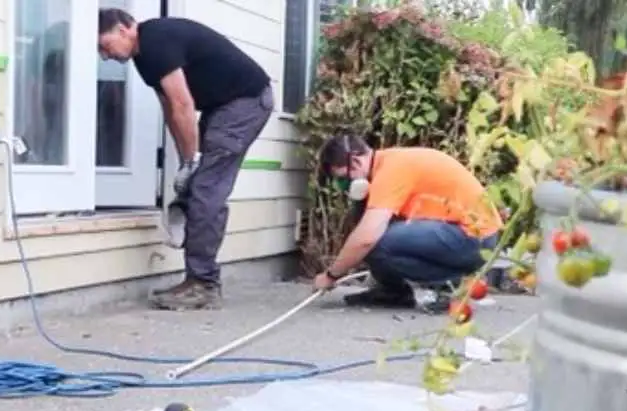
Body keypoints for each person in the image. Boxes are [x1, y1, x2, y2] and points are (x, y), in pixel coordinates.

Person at [98, 8, 274, 311]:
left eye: (105, 45)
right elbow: (171, 111)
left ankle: (203, 284)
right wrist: (185, 162)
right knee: (199, 181)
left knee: (207, 188)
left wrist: (193, 161)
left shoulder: (156, 41)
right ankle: (199, 278)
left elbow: (183, 103)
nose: (104, 55)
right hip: (224, 106)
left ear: (124, 29)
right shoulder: (144, 56)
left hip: (245, 103)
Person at [312, 133, 504, 312]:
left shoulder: (391, 171)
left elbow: (366, 238)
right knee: (374, 232)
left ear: (355, 161)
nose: (344, 185)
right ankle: (393, 293)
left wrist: (331, 276)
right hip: (468, 235)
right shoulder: (388, 163)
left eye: (343, 178)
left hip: (473, 239)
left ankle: (448, 285)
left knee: (375, 240)